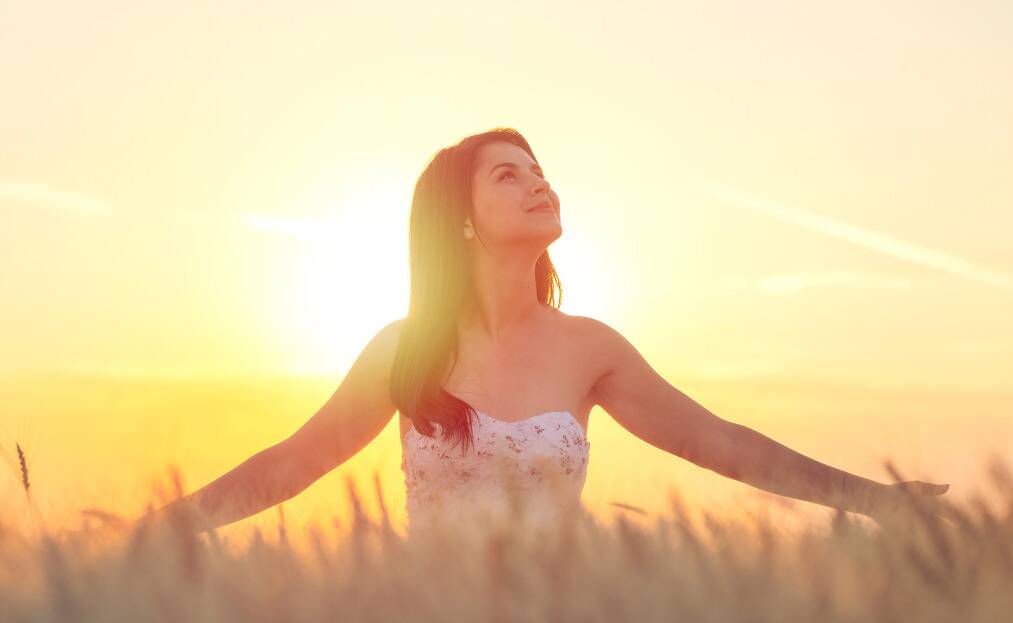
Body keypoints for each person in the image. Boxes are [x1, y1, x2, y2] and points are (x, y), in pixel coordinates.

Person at [116, 127, 951, 538]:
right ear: (464, 223)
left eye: (540, 171)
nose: (538, 184)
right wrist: (159, 531)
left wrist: (874, 500)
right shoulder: (404, 349)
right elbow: (293, 463)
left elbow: (720, 444)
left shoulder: (593, 349)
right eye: (508, 176)